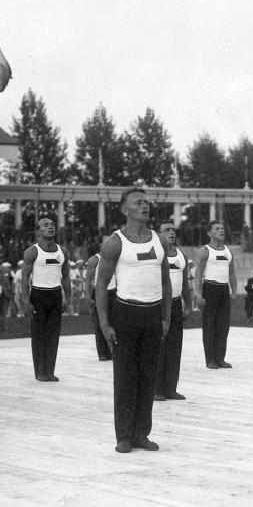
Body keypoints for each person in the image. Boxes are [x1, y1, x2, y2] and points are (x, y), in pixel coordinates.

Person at [95, 188, 171, 453]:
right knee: (125, 376)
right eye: (138, 202)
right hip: (126, 314)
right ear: (125, 209)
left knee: (148, 376)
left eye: (146, 202)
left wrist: (166, 318)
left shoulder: (159, 240)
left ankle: (141, 433)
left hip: (152, 314)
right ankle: (124, 435)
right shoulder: (114, 242)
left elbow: (165, 281)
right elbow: (101, 283)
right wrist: (105, 324)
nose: (145, 206)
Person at [20, 217, 71, 382]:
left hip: (55, 295)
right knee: (39, 335)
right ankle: (40, 371)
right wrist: (26, 301)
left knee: (53, 335)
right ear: (38, 231)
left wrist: (68, 298)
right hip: (39, 295)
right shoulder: (32, 252)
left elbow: (66, 278)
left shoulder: (62, 251)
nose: (51, 227)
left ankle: (49, 370)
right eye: (46, 225)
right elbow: (25, 278)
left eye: (52, 224)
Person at [154, 221, 191, 402]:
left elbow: (185, 283)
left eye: (173, 230)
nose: (171, 233)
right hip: (158, 305)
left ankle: (170, 388)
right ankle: (156, 389)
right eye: (166, 230)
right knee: (159, 348)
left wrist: (189, 304)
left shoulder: (181, 255)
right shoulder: (155, 256)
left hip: (176, 304)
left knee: (175, 348)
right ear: (158, 234)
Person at [194, 220, 236, 369]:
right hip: (210, 288)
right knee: (210, 325)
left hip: (224, 289)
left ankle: (220, 358)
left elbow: (232, 273)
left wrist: (234, 292)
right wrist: (199, 295)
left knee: (223, 326)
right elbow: (198, 274)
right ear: (209, 233)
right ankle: (210, 359)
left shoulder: (228, 251)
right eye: (217, 229)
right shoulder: (205, 250)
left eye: (222, 228)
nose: (221, 231)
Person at [85, 250, 115, 361]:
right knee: (99, 323)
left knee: (113, 323)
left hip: (114, 292)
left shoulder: (116, 258)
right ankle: (102, 353)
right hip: (99, 291)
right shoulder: (95, 260)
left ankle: (112, 351)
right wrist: (88, 297)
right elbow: (88, 280)